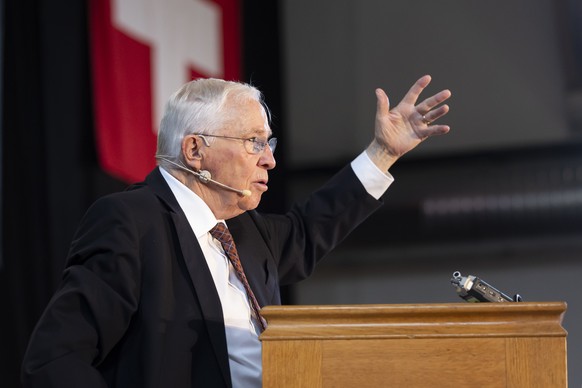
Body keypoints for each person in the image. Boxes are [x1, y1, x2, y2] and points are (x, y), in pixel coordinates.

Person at [21, 75, 451, 388]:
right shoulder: (131, 221)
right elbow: (56, 359)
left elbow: (310, 228)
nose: (269, 160)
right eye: (253, 142)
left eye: (269, 144)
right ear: (195, 151)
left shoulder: (246, 233)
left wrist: (382, 153)